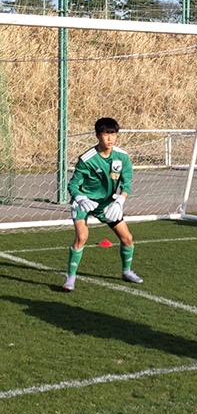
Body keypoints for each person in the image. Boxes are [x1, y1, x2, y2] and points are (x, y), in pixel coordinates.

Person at [62, 117, 143, 291]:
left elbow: (127, 183)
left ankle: (127, 271)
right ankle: (70, 277)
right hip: (84, 202)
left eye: (113, 134)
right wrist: (80, 198)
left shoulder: (122, 157)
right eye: (106, 134)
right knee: (82, 237)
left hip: (107, 204)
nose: (110, 139)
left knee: (127, 238)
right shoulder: (87, 158)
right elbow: (73, 185)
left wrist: (120, 201)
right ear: (98, 135)